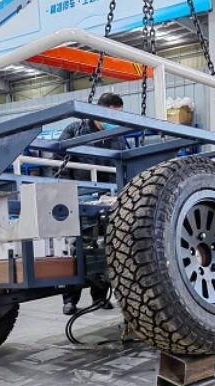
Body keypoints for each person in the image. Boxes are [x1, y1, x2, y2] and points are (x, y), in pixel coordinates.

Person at [60, 92, 125, 315]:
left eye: (118, 115)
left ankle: (99, 297)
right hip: (81, 195)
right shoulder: (75, 130)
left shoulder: (118, 135)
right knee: (77, 248)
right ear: (98, 111)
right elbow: (59, 162)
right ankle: (70, 299)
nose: (114, 120)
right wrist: (67, 193)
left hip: (108, 196)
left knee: (105, 245)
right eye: (111, 114)